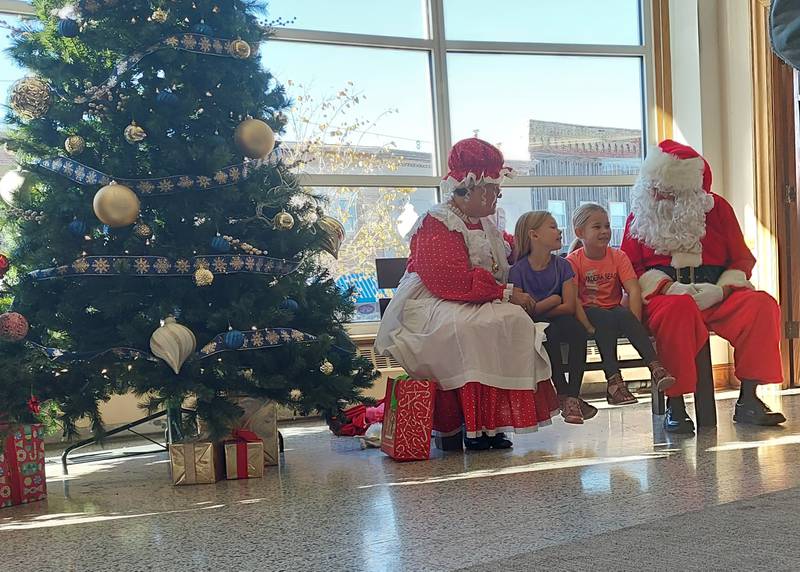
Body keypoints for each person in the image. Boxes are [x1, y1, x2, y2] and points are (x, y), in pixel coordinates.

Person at [374, 137, 558, 450]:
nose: (497, 194)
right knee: (468, 330)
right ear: (469, 187)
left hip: (476, 296)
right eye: (491, 188)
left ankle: (490, 425)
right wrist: (504, 292)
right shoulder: (436, 222)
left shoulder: (484, 224)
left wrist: (536, 246)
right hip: (438, 300)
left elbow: (507, 252)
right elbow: (449, 279)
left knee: (513, 324)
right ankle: (460, 427)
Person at [620, 139, 786, 433]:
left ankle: (749, 398)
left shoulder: (717, 208)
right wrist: (667, 288)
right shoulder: (641, 215)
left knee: (762, 304)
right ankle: (676, 405)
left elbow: (741, 259)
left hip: (716, 292)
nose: (658, 195)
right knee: (678, 311)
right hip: (665, 296)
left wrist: (721, 290)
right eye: (655, 187)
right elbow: (629, 267)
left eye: (668, 191)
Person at [566, 203, 676, 406]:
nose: (604, 231)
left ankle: (655, 368)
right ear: (580, 232)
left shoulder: (618, 256)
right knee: (606, 317)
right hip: (587, 312)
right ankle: (614, 381)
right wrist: (588, 326)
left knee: (622, 315)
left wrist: (634, 322)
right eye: (597, 227)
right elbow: (572, 299)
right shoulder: (573, 261)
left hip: (614, 311)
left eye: (607, 226)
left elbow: (633, 290)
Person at [510, 211, 591, 425]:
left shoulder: (563, 265)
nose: (559, 231)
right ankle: (562, 393)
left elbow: (569, 306)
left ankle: (573, 395)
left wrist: (542, 306)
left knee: (577, 332)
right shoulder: (517, 270)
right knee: (550, 335)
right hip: (536, 325)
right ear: (534, 235)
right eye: (553, 227)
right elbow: (524, 311)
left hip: (556, 317)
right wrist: (553, 300)